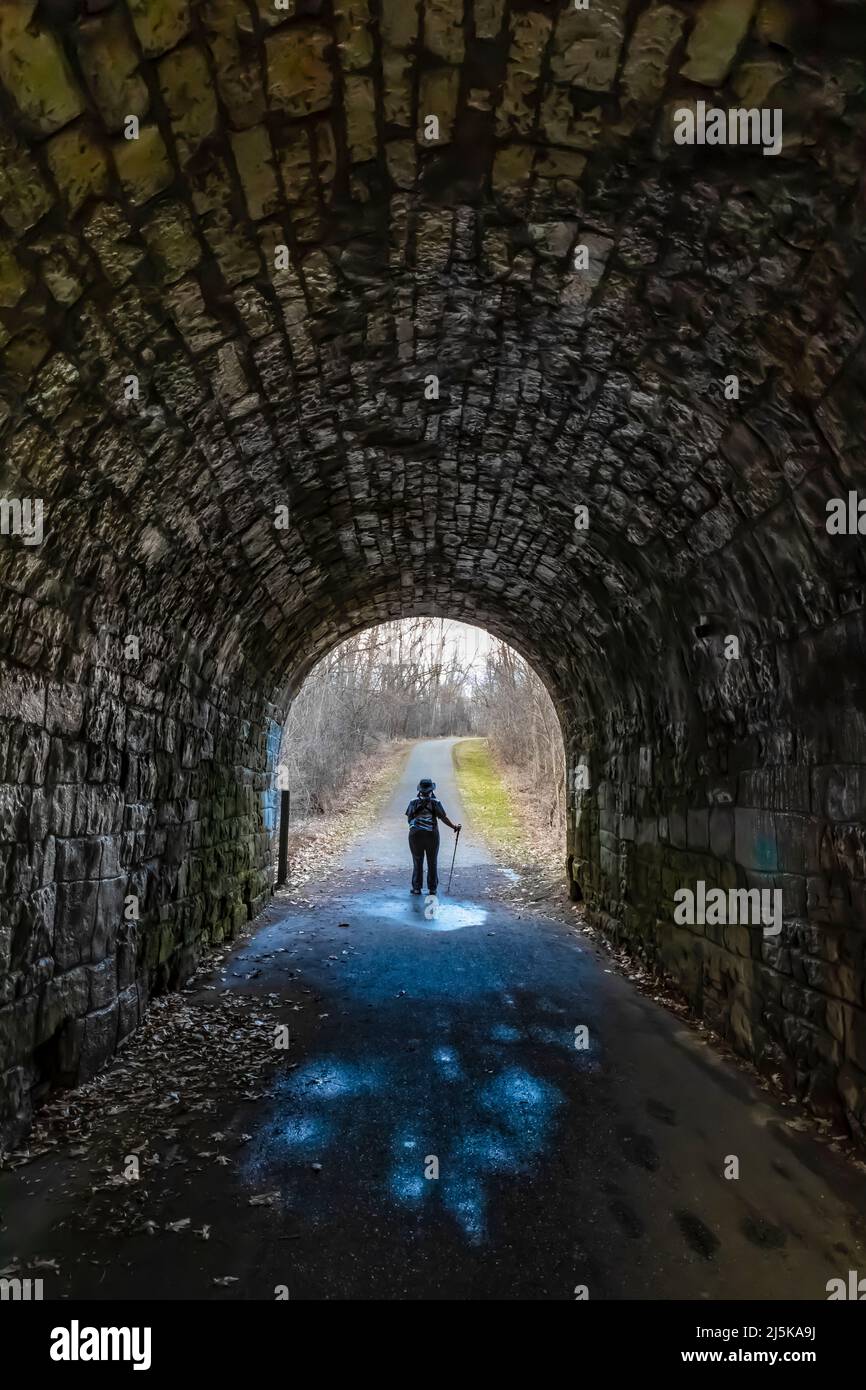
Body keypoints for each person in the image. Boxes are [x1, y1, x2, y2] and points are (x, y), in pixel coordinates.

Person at [405, 777, 460, 896]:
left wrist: (415, 826)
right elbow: (443, 818)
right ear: (431, 790)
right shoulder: (435, 802)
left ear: (420, 789)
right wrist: (454, 827)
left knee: (417, 861)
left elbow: (409, 818)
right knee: (432, 861)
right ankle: (432, 889)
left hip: (415, 836)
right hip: (432, 836)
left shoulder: (413, 802)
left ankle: (416, 888)